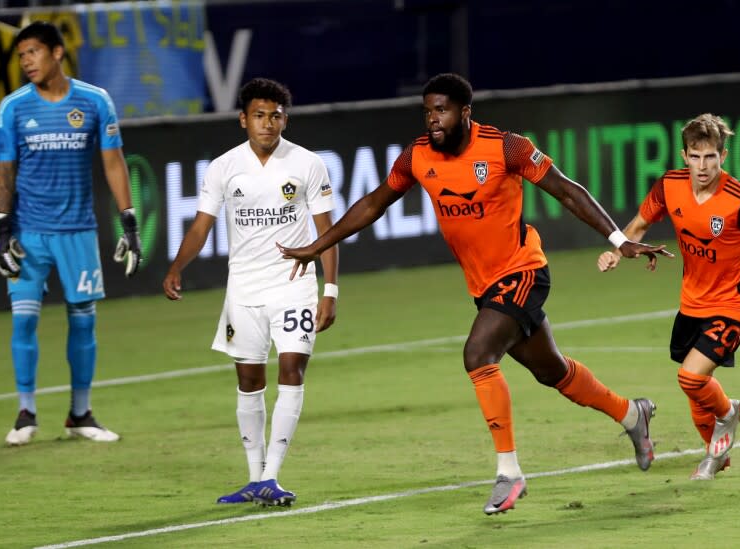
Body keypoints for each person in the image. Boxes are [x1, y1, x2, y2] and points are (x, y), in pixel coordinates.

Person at [279, 73, 672, 515]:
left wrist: (619, 240)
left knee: (477, 353)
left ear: (465, 112)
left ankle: (509, 472)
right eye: (427, 110)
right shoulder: (418, 155)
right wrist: (319, 244)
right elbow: (374, 203)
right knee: (553, 372)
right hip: (484, 285)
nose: (433, 119)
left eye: (441, 110)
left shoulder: (507, 148)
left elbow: (565, 189)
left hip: (523, 271)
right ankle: (632, 414)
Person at [163, 78, 339, 507]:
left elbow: (327, 233)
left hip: (294, 285)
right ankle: (254, 477)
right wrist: (176, 267)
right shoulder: (224, 167)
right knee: (249, 380)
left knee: (293, 368)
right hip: (243, 289)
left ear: (285, 118)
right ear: (243, 119)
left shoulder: (308, 164)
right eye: (259, 115)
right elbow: (202, 226)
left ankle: (273, 476)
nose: (268, 123)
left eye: (276, 115)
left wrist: (329, 289)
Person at [597, 113, 740, 480]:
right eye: (695, 157)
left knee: (691, 379)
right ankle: (717, 454)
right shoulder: (670, 186)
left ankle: (728, 413)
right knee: (696, 391)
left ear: (723, 157)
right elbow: (641, 223)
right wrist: (618, 249)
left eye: (710, 157)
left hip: (731, 305)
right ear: (684, 156)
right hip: (691, 303)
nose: (703, 166)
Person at [0, 21, 141, 446]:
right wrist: (2, 227)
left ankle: (80, 413)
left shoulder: (94, 101)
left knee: (83, 322)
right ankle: (26, 413)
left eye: (33, 53)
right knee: (23, 321)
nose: (26, 62)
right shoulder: (13, 107)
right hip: (29, 232)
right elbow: (5, 169)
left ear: (57, 53)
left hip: (78, 232)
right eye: (21, 56)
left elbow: (113, 161)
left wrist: (128, 220)